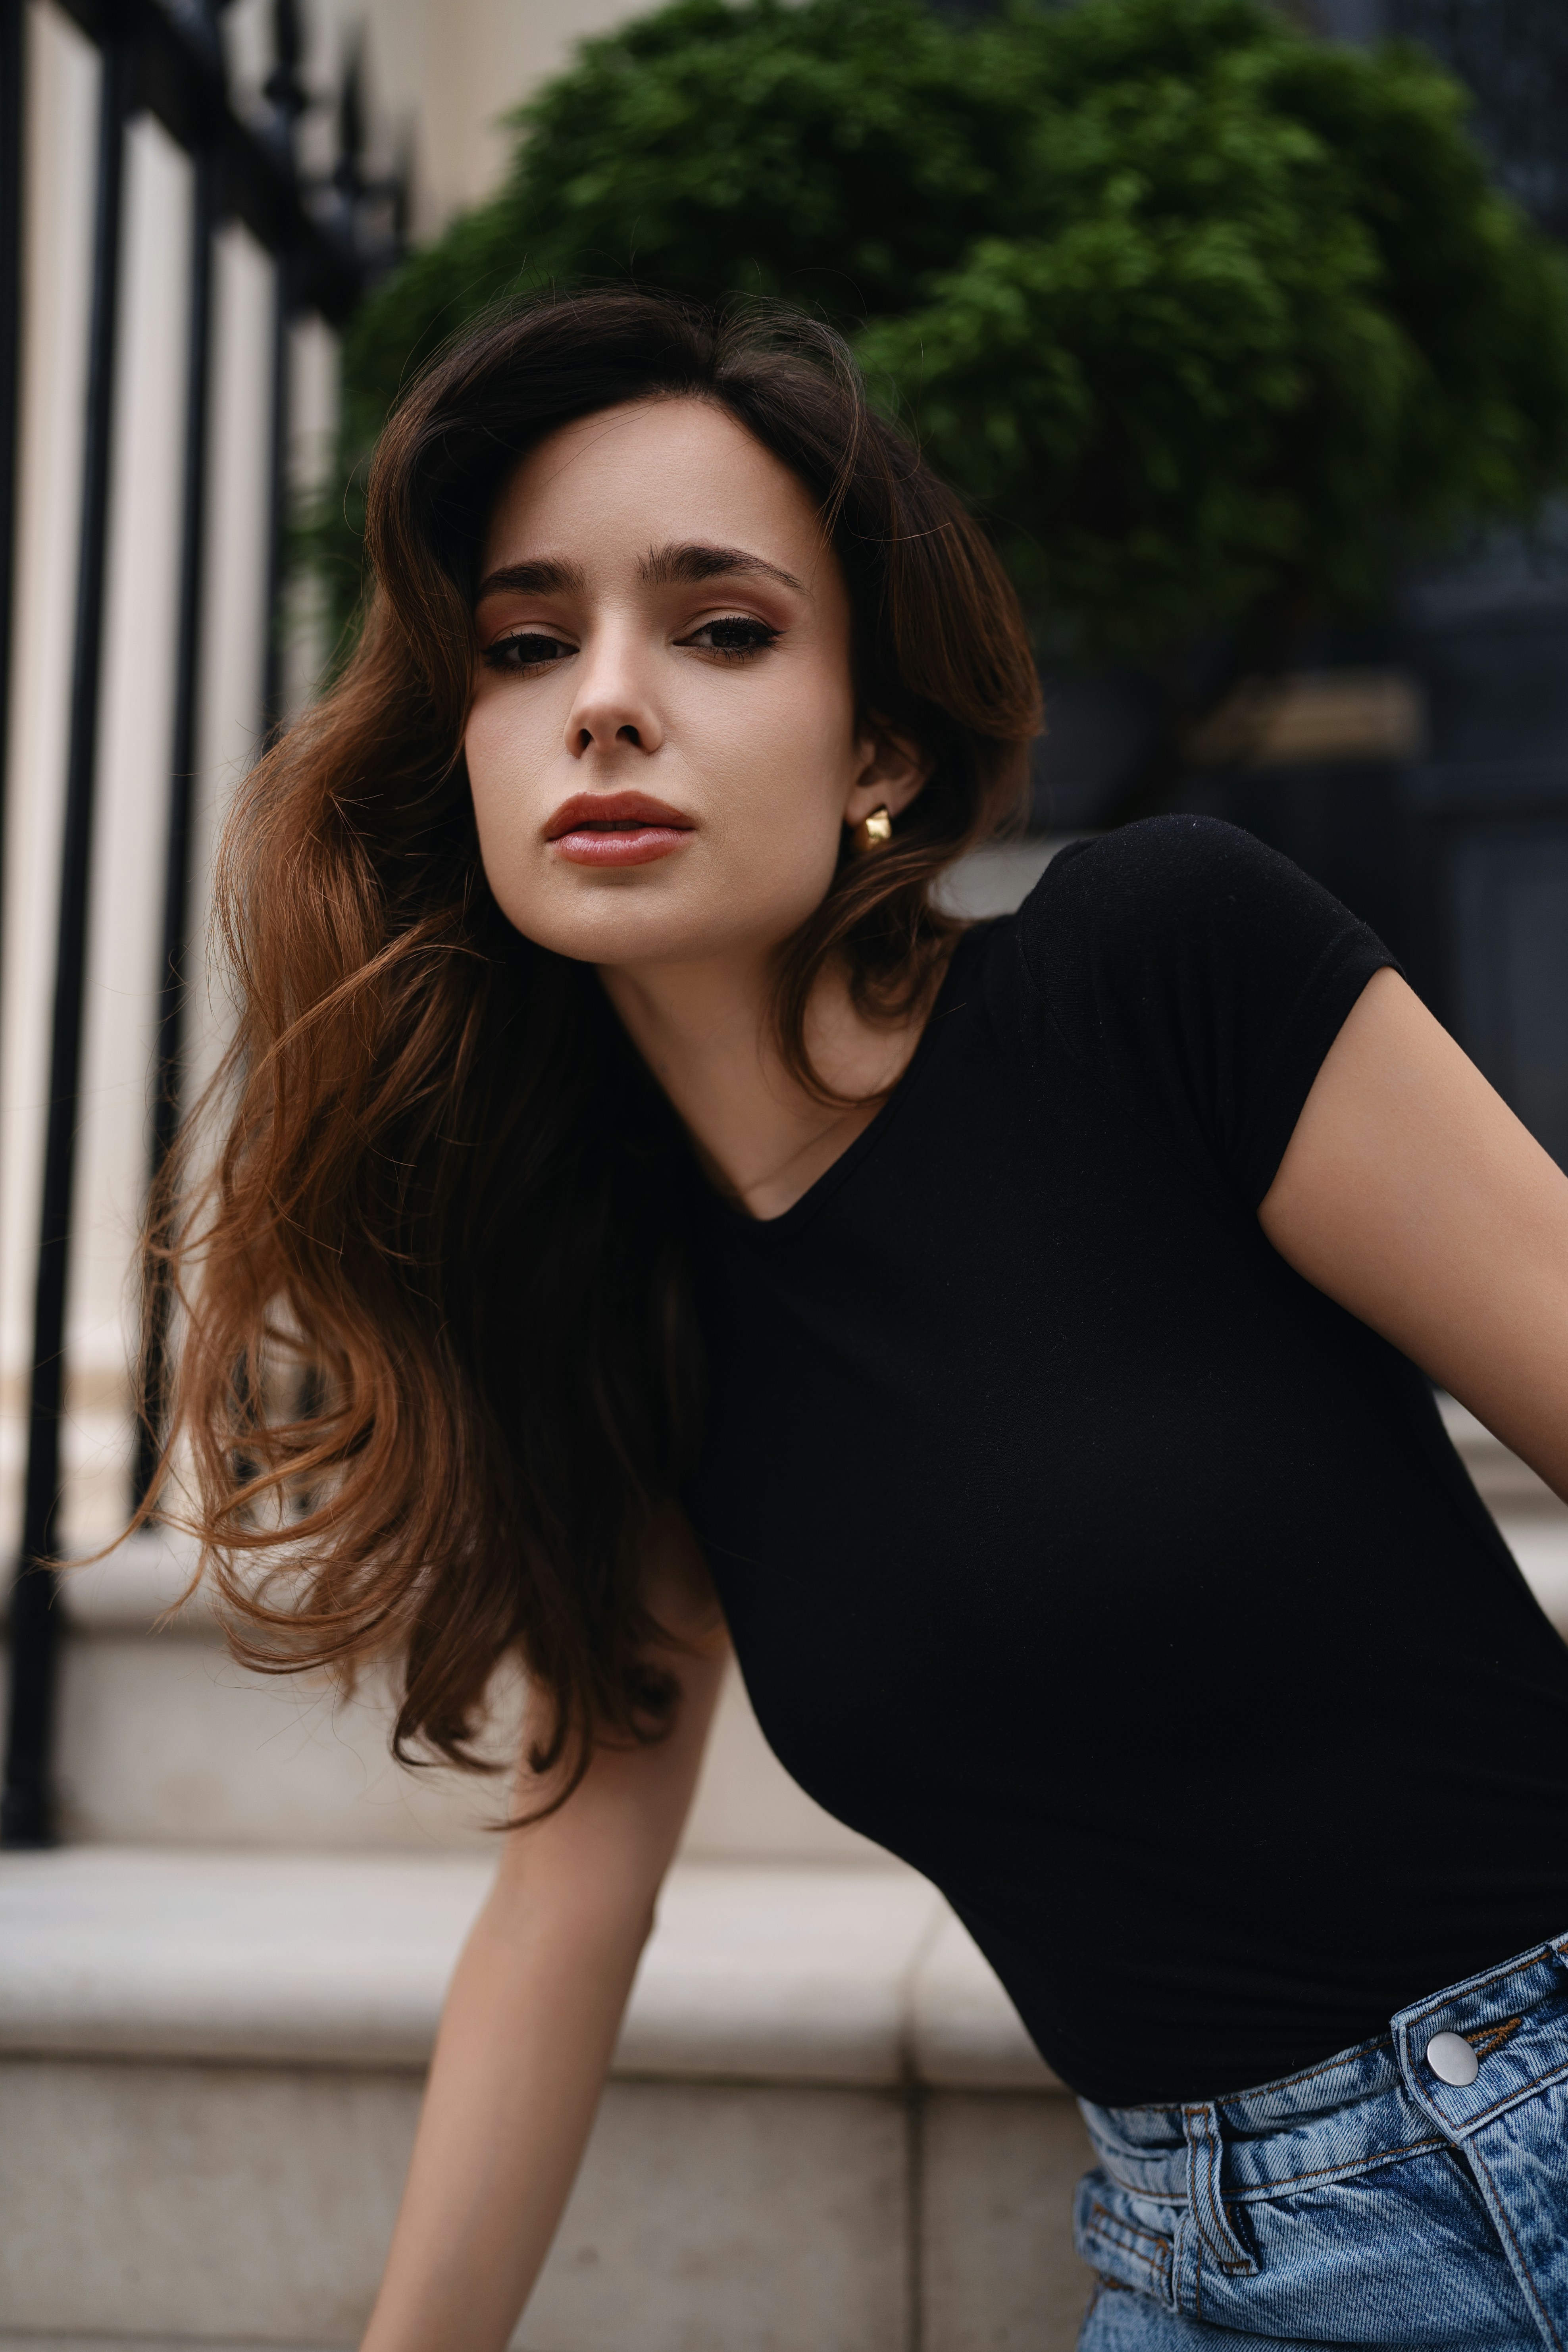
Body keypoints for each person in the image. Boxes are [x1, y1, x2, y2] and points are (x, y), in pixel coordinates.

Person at [144, 290, 1568, 2350]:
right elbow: (570, 1898)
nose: (605, 704)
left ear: (878, 747)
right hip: (1219, 2264)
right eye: (529, 644)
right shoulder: (622, 1312)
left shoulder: (1161, 974)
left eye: (720, 629)